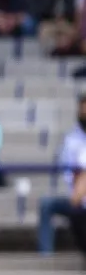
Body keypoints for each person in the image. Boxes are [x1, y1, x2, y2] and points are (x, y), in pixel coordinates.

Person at [38, 94, 86, 254]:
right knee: (47, 204)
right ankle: (45, 256)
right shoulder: (71, 138)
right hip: (76, 198)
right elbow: (68, 170)